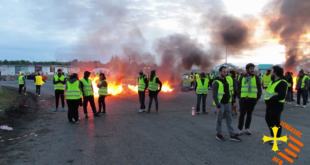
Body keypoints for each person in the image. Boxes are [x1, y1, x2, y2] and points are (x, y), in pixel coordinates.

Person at [213, 66, 241, 141]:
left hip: (228, 103)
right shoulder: (216, 82)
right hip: (220, 104)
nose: (226, 73)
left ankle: (232, 135)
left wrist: (233, 101)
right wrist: (217, 105)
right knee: (219, 120)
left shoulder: (227, 81)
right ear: (219, 72)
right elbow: (214, 95)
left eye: (226, 72)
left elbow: (230, 92)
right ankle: (218, 134)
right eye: (224, 72)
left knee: (229, 119)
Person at [236, 63, 262, 135]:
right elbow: (239, 88)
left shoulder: (256, 77)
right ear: (247, 69)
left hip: (252, 99)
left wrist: (257, 98)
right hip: (243, 99)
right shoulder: (242, 77)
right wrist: (239, 97)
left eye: (253, 69)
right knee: (242, 114)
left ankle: (247, 128)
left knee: (249, 114)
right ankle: (239, 129)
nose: (252, 70)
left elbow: (259, 89)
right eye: (251, 69)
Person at [264, 66, 288, 145]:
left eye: (272, 71)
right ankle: (272, 135)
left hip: (277, 105)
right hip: (270, 105)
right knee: (268, 119)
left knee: (275, 122)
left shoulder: (282, 83)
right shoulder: (273, 81)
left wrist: (271, 99)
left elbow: (281, 96)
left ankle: (277, 139)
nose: (271, 72)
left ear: (275, 73)